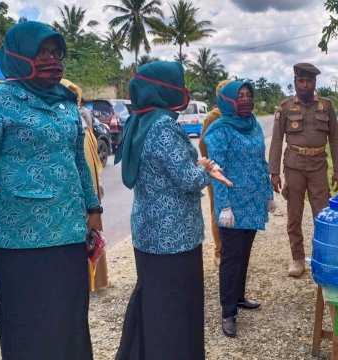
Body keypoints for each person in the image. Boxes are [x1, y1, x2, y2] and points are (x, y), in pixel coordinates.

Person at [0, 21, 100, 359]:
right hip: (19, 236)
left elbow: (78, 161)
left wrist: (94, 210)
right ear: (19, 55)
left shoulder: (65, 104)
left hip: (69, 231)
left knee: (69, 320)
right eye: (42, 52)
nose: (53, 60)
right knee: (27, 324)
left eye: (56, 53)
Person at [114, 61, 231, 360]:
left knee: (154, 304)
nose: (183, 91)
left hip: (148, 232)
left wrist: (193, 168)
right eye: (177, 84)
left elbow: (160, 170)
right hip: (174, 237)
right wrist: (208, 170)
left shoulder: (138, 121)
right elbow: (188, 179)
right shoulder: (163, 126)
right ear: (163, 90)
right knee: (176, 310)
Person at [203, 81, 275, 338]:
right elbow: (215, 170)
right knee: (231, 258)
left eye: (249, 95)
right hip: (232, 204)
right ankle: (228, 312)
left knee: (244, 254)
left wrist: (268, 193)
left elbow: (260, 160)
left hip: (253, 202)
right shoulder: (218, 130)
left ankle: (240, 296)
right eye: (239, 96)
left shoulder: (253, 123)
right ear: (227, 100)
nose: (245, 100)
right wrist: (223, 207)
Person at [268, 62, 338, 277]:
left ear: (314, 83)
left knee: (322, 215)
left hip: (318, 167)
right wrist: (274, 172)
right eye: (300, 80)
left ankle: (322, 258)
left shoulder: (326, 106)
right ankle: (297, 259)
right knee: (294, 215)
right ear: (295, 82)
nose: (304, 85)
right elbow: (277, 141)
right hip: (293, 166)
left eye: (309, 81)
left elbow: (335, 139)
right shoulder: (285, 108)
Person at [61, 79, 109, 291]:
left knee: (94, 237)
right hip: (77, 198)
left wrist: (96, 187)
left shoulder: (80, 121)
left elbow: (90, 162)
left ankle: (97, 281)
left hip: (90, 195)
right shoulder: (69, 124)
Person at [199, 79, 231, 267]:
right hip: (216, 170)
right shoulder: (213, 116)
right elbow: (203, 142)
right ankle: (219, 251)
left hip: (233, 170)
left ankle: (231, 247)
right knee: (217, 208)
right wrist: (211, 166)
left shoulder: (238, 115)